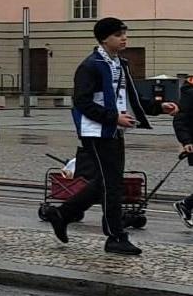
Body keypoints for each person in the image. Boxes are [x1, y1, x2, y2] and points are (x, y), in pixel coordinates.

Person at [40, 17, 171, 255]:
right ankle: (115, 236)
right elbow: (82, 101)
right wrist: (113, 118)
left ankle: (62, 213)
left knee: (106, 182)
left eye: (124, 34)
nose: (124, 38)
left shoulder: (120, 64)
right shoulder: (90, 65)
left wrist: (158, 107)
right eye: (118, 35)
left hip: (113, 130)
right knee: (112, 184)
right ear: (104, 39)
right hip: (96, 132)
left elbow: (129, 98)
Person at [173, 77, 193, 228]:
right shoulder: (190, 92)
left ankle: (186, 205)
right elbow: (180, 119)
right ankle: (186, 205)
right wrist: (186, 141)